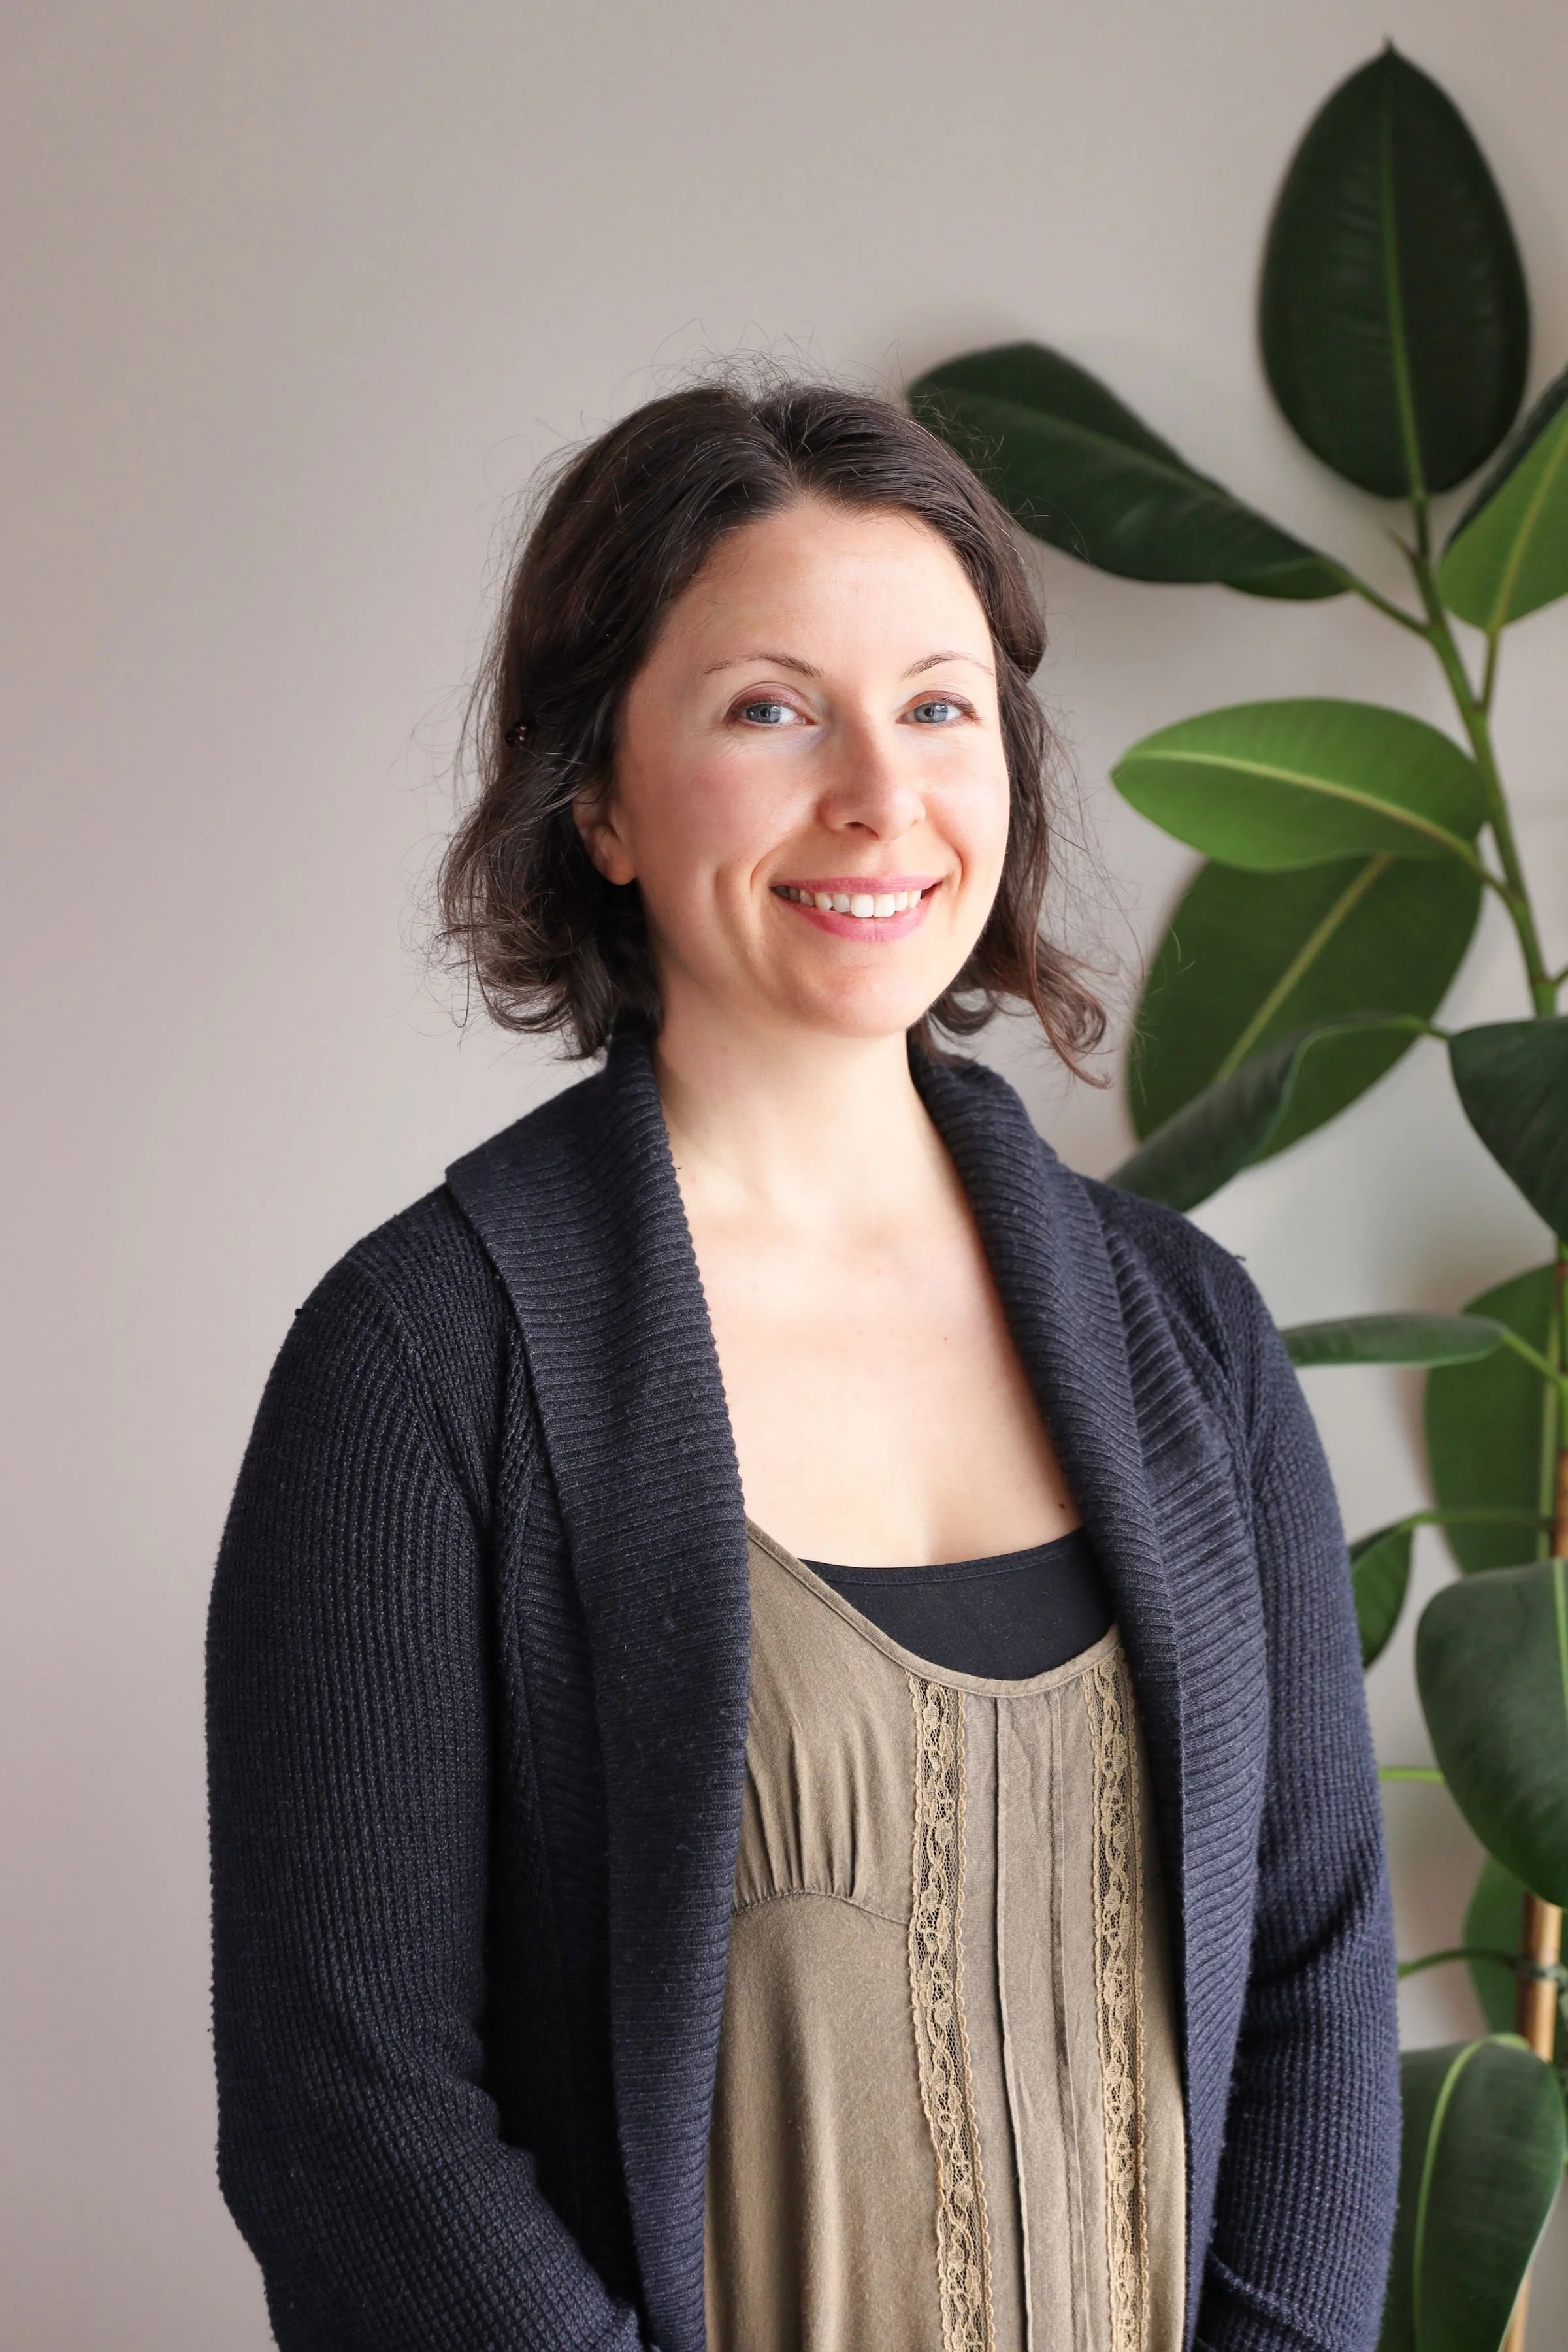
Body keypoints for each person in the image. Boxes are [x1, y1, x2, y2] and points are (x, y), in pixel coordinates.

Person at [207, 381, 1399, 2352]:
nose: (878, 797)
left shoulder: (1192, 1335)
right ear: (593, 793)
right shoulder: (420, 1369)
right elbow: (353, 2119)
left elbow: (1315, 1971)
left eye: (938, 707)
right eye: (772, 708)